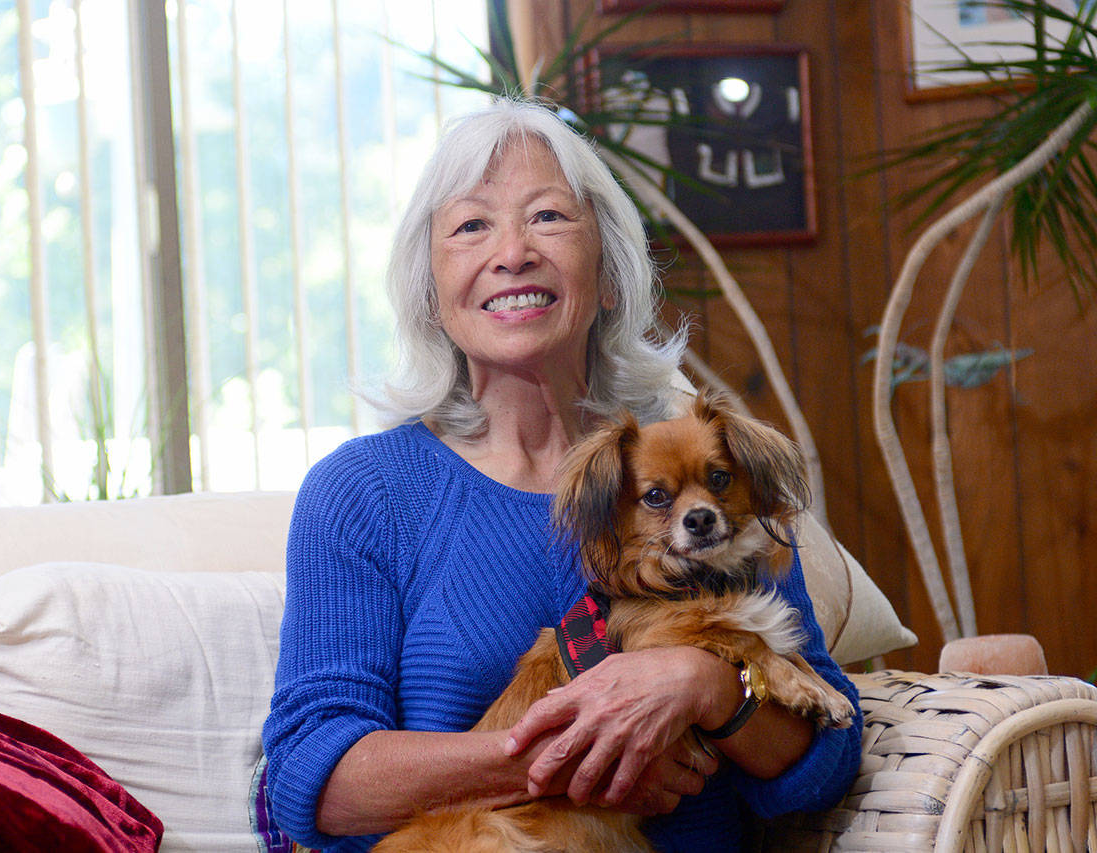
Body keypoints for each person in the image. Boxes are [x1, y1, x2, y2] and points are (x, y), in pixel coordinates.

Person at [261, 98, 861, 853]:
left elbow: (827, 759)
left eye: (547, 217)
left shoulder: (698, 469)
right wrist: (576, 760)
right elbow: (313, 780)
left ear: (609, 273)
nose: (512, 252)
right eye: (472, 225)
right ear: (431, 294)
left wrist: (703, 685)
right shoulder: (365, 492)